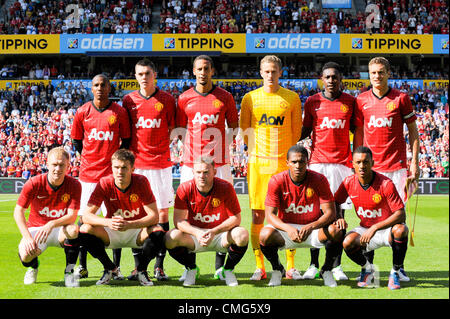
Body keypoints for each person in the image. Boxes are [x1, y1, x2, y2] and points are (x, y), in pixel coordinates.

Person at [353, 57, 419, 281]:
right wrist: (357, 163)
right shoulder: (361, 100)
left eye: (381, 72)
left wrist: (415, 162)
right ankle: (369, 268)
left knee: (397, 220)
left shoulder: (401, 98)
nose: (377, 76)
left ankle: (397, 268)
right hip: (371, 170)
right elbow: (359, 135)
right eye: (373, 73)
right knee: (369, 218)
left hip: (396, 168)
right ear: (368, 75)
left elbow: (413, 133)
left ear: (388, 73)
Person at [176, 55, 239, 280]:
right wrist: (192, 151)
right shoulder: (184, 98)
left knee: (222, 212)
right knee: (188, 212)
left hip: (220, 164)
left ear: (212, 71)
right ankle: (189, 267)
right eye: (199, 69)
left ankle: (220, 268)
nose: (203, 72)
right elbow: (180, 130)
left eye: (206, 69)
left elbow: (233, 126)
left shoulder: (225, 97)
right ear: (193, 71)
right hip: (191, 164)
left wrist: (221, 149)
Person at [239, 55, 302, 280]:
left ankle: (291, 266)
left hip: (283, 166)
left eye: (274, 71)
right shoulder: (250, 98)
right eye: (266, 71)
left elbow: (296, 134)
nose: (270, 75)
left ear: (281, 72)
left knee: (287, 214)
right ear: (260, 72)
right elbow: (245, 131)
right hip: (258, 164)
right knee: (257, 215)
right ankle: (260, 267)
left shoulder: (292, 98)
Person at [299, 62, 360, 281]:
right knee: (315, 215)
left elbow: (359, 130)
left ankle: (335, 266)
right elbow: (305, 131)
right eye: (327, 77)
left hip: (343, 165)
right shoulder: (312, 102)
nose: (331, 80)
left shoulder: (351, 102)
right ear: (321, 79)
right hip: (317, 164)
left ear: (341, 79)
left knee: (339, 217)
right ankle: (313, 265)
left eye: (335, 77)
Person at [71, 74, 131, 280]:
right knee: (84, 221)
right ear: (91, 88)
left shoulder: (120, 112)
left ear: (109, 88)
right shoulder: (82, 112)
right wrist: (91, 158)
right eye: (95, 85)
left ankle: (116, 266)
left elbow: (127, 142)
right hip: (88, 175)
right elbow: (77, 142)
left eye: (103, 85)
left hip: (111, 177)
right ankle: (82, 266)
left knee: (114, 220)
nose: (99, 88)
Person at [259, 144, 344, 287]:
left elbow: (330, 213)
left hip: (313, 230)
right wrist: (288, 229)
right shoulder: (277, 180)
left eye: (302, 161)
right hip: (287, 230)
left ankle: (327, 270)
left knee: (336, 230)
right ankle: (277, 269)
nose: (298, 165)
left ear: (307, 162)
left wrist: (311, 226)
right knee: (264, 235)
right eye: (294, 162)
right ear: (287, 163)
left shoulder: (319, 179)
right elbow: (270, 215)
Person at [122, 58, 176, 281]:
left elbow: (172, 127)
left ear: (155, 75)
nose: (144, 77)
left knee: (162, 213)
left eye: (147, 73)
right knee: (138, 214)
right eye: (140, 74)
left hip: (161, 164)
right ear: (135, 77)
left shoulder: (167, 99)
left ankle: (159, 266)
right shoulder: (128, 100)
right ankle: (137, 266)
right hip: (138, 166)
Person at [79, 149, 164, 286]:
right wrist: (108, 222)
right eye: (116, 167)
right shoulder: (104, 183)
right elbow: (86, 215)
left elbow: (154, 217)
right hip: (112, 231)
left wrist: (130, 224)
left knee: (158, 231)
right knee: (84, 229)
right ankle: (110, 268)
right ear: (111, 168)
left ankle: (141, 270)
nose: (120, 171)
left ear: (132, 168)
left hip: (136, 230)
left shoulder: (141, 181)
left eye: (124, 167)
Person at [165, 156, 248, 287]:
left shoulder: (225, 187)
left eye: (206, 172)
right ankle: (191, 268)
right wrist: (197, 233)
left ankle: (227, 270)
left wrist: (214, 231)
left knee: (242, 234)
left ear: (214, 172)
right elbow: (178, 221)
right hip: (195, 236)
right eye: (198, 172)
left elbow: (236, 218)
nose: (201, 176)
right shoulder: (185, 188)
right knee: (170, 237)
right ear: (193, 172)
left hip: (219, 235)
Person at [334, 146, 408, 290]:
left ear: (372, 163)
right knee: (347, 242)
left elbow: (400, 214)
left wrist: (375, 227)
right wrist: (339, 217)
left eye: (366, 162)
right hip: (365, 229)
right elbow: (336, 201)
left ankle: (395, 272)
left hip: (386, 230)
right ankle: (367, 269)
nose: (362, 166)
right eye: (358, 162)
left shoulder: (386, 184)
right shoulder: (348, 182)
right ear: (353, 164)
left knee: (401, 230)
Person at [14, 147, 82, 287]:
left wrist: (51, 224)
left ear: (68, 166)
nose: (57, 169)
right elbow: (18, 211)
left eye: (61, 165)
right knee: (26, 256)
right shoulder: (34, 183)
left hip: (59, 229)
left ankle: (69, 272)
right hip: (36, 229)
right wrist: (27, 237)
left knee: (73, 230)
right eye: (54, 165)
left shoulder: (75, 184)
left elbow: (71, 216)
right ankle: (33, 266)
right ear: (47, 164)